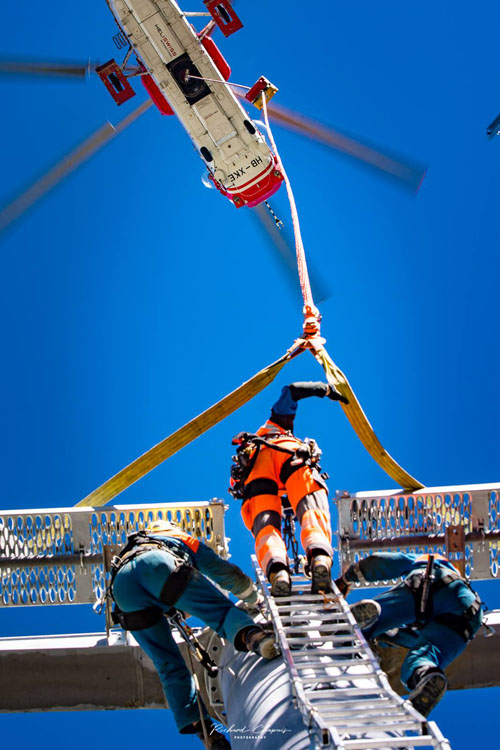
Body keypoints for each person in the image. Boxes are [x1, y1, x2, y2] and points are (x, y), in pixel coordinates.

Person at [110, 519, 279, 750]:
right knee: (220, 612)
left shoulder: (134, 544)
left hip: (123, 590)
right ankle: (254, 638)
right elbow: (225, 574)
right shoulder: (177, 537)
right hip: (158, 564)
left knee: (168, 665)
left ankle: (205, 732)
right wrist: (254, 597)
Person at [231, 381, 347, 596]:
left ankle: (278, 572)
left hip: (257, 473)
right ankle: (319, 556)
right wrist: (326, 389)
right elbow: (292, 390)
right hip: (290, 455)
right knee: (311, 508)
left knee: (266, 527)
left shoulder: (253, 446)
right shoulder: (278, 424)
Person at [335, 551, 483, 716]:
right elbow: (405, 636)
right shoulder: (460, 582)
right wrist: (385, 636)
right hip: (470, 616)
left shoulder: (427, 559)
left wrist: (346, 578)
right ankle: (426, 676)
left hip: (434, 583)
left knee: (386, 615)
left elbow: (381, 562)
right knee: (421, 659)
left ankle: (365, 621)